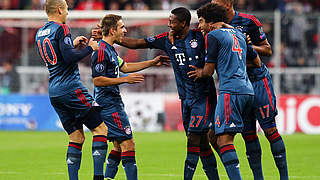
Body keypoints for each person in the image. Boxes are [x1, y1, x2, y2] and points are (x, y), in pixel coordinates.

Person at [110, 7, 220, 180]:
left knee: (193, 139)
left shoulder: (200, 35)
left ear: (183, 23)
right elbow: (139, 43)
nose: (168, 24)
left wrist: (205, 70)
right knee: (202, 144)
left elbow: (217, 36)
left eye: (172, 21)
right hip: (185, 99)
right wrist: (114, 39)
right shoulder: (166, 40)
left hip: (203, 96)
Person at [211, 0, 289, 179]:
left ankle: (284, 177)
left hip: (258, 80)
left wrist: (247, 46)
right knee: (248, 134)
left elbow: (268, 50)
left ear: (228, 3)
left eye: (216, 2)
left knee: (270, 130)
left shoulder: (249, 21)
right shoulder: (214, 28)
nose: (213, 4)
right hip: (240, 85)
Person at [35, 1, 108, 180]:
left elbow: (60, 56)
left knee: (77, 137)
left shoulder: (40, 32)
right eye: (67, 8)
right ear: (60, 9)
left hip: (54, 91)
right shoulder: (62, 28)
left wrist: (72, 46)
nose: (68, 12)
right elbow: (68, 58)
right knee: (101, 129)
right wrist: (91, 47)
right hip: (70, 88)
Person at [91, 14, 170, 180]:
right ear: (112, 30)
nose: (125, 30)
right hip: (109, 104)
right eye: (122, 27)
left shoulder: (110, 50)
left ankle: (108, 178)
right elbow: (97, 80)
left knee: (118, 147)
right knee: (128, 143)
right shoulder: (100, 51)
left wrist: (151, 62)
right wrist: (124, 80)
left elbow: (125, 67)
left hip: (112, 102)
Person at [188, 3, 261, 179]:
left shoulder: (213, 36)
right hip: (248, 91)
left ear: (211, 22)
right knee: (214, 135)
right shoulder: (239, 33)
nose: (200, 26)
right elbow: (257, 62)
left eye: (202, 22)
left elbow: (208, 71)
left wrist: (200, 72)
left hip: (231, 91)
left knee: (224, 140)